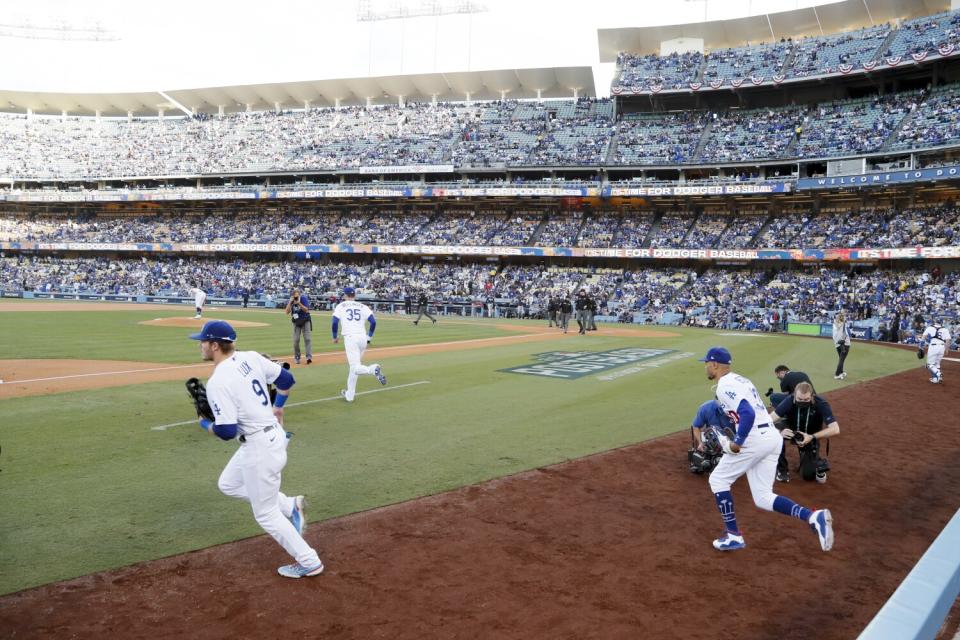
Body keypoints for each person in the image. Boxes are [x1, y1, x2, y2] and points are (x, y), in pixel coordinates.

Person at [188, 320, 323, 579]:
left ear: (215, 345)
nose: (200, 345)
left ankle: (309, 561)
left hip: (260, 449)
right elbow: (287, 379)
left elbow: (226, 432)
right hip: (271, 438)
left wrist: (205, 424)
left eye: (203, 341)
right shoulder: (250, 357)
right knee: (228, 484)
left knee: (265, 514)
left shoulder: (219, 382)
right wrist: (278, 406)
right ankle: (289, 505)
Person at [699, 346, 834, 553]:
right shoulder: (740, 380)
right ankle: (812, 516)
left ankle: (733, 536)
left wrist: (737, 442)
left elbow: (747, 414)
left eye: (707, 363)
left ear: (714, 364)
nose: (706, 367)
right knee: (762, 497)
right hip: (771, 437)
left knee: (718, 480)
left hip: (754, 438)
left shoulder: (724, 385)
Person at [769, 382, 840, 483]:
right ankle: (782, 470)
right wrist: (779, 432)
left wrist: (811, 437)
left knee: (808, 476)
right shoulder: (789, 400)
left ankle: (816, 462)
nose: (802, 401)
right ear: (794, 396)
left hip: (810, 435)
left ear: (812, 396)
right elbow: (769, 420)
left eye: (806, 399)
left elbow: (835, 429)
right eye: (799, 399)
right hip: (791, 430)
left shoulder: (821, 403)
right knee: (774, 435)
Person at [332, 286, 386, 402]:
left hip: (351, 338)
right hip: (362, 338)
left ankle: (372, 369)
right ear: (354, 296)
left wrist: (334, 336)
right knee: (354, 368)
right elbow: (373, 322)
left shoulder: (341, 306)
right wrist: (369, 337)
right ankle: (349, 395)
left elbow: (334, 322)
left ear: (345, 296)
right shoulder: (363, 306)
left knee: (355, 367)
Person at [284, 288, 312, 365]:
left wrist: (299, 303)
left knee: (307, 339)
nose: (296, 297)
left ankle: (309, 357)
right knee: (296, 340)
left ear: (299, 295)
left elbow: (306, 310)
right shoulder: (291, 300)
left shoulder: (303, 298)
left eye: (297, 296)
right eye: (294, 296)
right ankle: (297, 357)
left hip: (305, 320)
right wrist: (290, 302)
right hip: (296, 322)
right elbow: (286, 312)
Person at [920, 319, 951, 384]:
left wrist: (921, 347)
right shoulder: (945, 329)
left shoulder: (930, 328)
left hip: (933, 347)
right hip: (942, 347)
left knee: (929, 364)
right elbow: (948, 340)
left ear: (935, 322)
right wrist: (946, 349)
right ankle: (936, 379)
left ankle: (938, 373)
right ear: (941, 323)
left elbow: (923, 337)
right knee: (937, 364)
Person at [832, 311, 851, 380]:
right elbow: (844, 334)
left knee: (841, 358)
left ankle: (841, 372)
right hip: (844, 343)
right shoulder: (841, 324)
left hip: (837, 344)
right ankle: (837, 374)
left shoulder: (835, 323)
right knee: (841, 359)